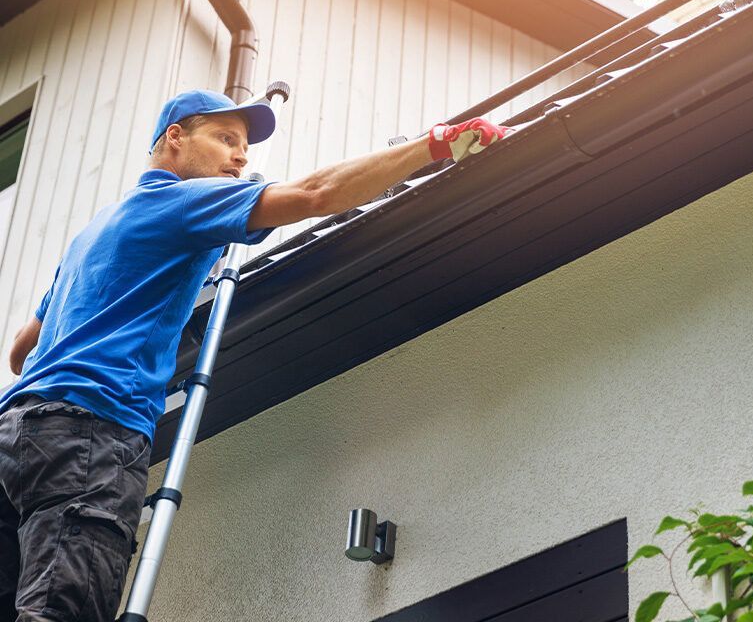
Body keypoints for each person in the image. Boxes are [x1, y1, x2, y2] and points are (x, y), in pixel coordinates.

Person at [0, 89, 511, 621]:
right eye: (225, 139)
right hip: (90, 433)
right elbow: (316, 192)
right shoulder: (182, 202)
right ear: (175, 138)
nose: (240, 157)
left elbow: (19, 351)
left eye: (243, 146)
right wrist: (434, 144)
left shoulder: (92, 235)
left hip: (15, 436)